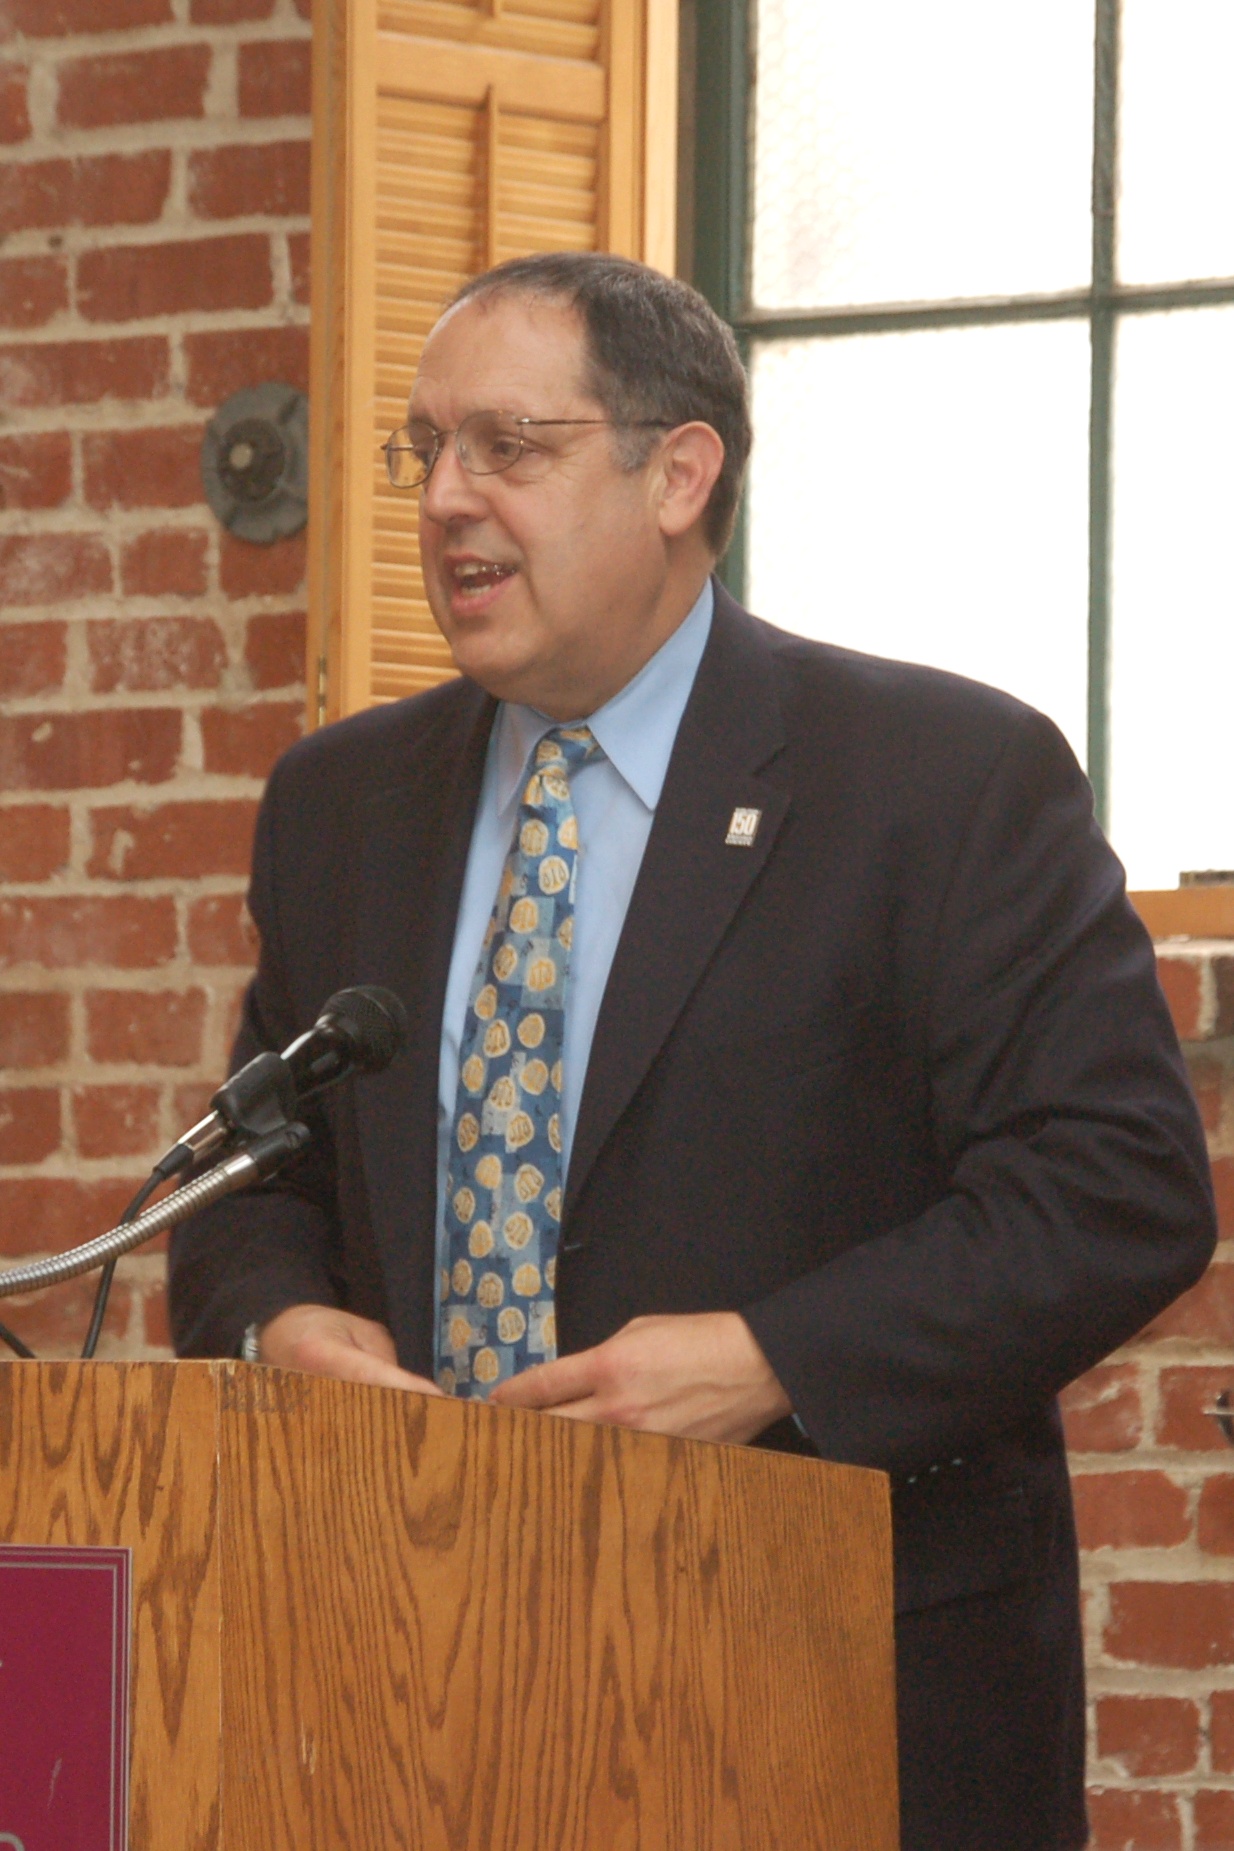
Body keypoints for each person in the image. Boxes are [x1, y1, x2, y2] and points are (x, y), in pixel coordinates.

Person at [169, 252, 1216, 1849]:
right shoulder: (342, 803)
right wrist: (280, 1328)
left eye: (506, 448)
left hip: (827, 1673)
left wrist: (774, 1359)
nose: (442, 500)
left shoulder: (937, 779)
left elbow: (1115, 1189)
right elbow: (255, 1182)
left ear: (677, 474)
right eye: (423, 449)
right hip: (410, 1667)